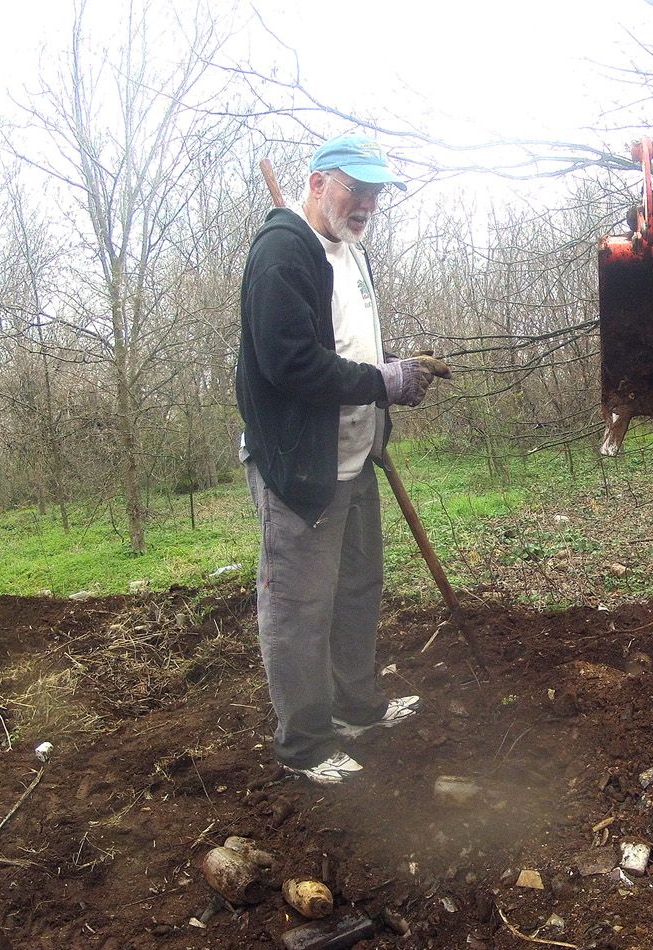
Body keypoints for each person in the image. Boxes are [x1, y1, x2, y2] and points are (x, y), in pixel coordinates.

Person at [236, 134, 450, 785]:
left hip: (356, 457)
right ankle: (304, 742)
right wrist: (382, 382)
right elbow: (290, 363)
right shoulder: (281, 253)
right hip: (302, 466)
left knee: (357, 588)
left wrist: (389, 379)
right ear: (317, 181)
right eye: (354, 188)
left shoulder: (350, 253)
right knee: (300, 607)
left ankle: (358, 707)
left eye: (375, 192)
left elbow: (349, 347)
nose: (365, 203)